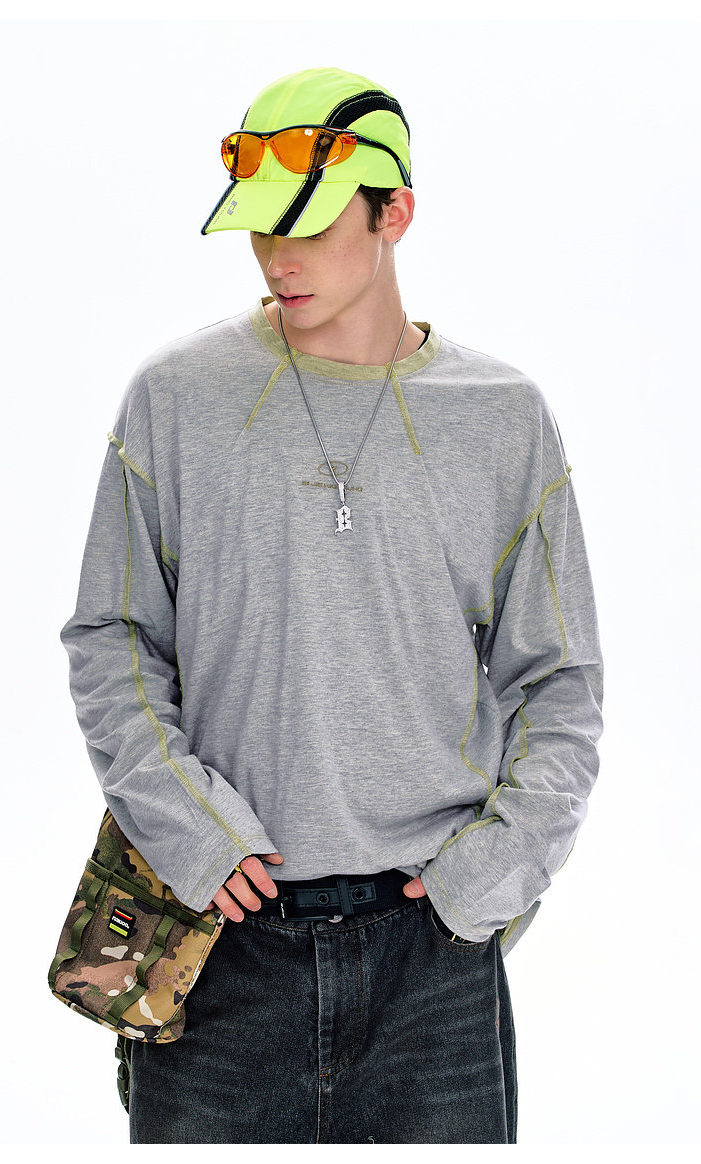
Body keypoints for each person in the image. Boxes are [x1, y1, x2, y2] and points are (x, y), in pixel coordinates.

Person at [60, 65, 603, 1145]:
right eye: (262, 228)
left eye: (308, 226)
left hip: (433, 956)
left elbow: (561, 680)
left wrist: (492, 874)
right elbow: (113, 638)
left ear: (395, 213)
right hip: (218, 939)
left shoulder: (503, 419)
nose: (279, 256)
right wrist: (193, 832)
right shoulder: (176, 401)